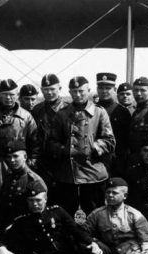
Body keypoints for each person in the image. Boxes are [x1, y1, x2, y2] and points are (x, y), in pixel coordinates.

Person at [45, 76, 116, 215]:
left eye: (81, 91)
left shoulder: (99, 112)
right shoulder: (62, 114)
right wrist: (64, 150)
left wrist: (93, 147)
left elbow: (109, 140)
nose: (77, 95)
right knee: (65, 213)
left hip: (93, 172)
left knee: (96, 213)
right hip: (68, 174)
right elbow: (51, 141)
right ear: (69, 92)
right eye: (74, 91)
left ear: (88, 91)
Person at [0, 181, 95, 254]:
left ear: (45, 199)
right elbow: (5, 238)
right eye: (31, 200)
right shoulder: (22, 220)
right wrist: (2, 248)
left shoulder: (57, 211)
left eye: (38, 200)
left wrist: (92, 242)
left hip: (68, 250)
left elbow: (76, 230)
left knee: (95, 248)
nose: (35, 204)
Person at [0, 79, 38, 210]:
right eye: (5, 94)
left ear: (17, 95)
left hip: (20, 164)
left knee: (20, 198)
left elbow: (35, 142)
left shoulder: (26, 116)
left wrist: (31, 162)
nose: (8, 98)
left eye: (12, 94)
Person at [0, 140, 48, 231]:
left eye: (15, 156)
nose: (12, 160)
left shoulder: (34, 181)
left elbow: (38, 213)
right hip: (6, 226)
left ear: (25, 157)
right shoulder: (9, 177)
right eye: (9, 157)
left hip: (26, 229)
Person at [31, 73, 69, 180]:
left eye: (52, 89)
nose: (49, 92)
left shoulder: (68, 109)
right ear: (41, 90)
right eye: (46, 89)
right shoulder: (37, 110)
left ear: (59, 88)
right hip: (42, 162)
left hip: (63, 160)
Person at [93, 73, 131, 176]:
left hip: (116, 162)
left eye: (108, 88)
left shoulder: (122, 112)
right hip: (94, 161)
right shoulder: (91, 110)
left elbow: (126, 141)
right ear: (97, 89)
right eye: (101, 88)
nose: (104, 91)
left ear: (114, 89)